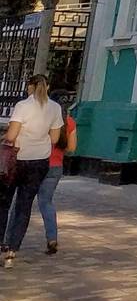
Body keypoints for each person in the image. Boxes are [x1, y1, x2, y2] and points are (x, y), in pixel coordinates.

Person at [2, 75, 63, 268]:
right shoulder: (55, 108)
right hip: (39, 162)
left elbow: (12, 135)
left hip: (16, 160)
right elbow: (54, 139)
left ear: (30, 87)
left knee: (4, 203)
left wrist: (6, 138)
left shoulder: (23, 106)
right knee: (24, 206)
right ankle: (12, 250)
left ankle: (1, 240)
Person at [36, 103, 76, 255]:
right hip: (56, 166)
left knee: (21, 203)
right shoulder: (69, 122)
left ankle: (9, 240)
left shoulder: (43, 118)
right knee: (46, 203)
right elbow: (71, 148)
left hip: (36, 162)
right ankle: (52, 238)